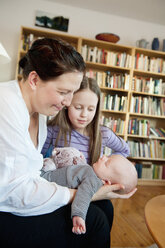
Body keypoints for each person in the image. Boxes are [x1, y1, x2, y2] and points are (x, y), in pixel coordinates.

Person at [0, 37, 136, 248]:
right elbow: (14, 192)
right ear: (34, 80)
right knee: (96, 221)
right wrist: (84, 195)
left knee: (105, 208)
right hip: (7, 207)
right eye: (63, 92)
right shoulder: (5, 108)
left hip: (25, 193)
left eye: (72, 93)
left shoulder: (40, 113)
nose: (68, 102)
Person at [41, 76, 131, 236]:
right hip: (64, 190)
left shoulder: (103, 134)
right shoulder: (54, 130)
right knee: (95, 219)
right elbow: (39, 157)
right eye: (78, 107)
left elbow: (125, 150)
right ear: (67, 104)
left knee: (107, 209)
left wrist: (108, 167)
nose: (84, 115)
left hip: (91, 188)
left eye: (91, 109)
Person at [41, 147, 138, 234]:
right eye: (108, 156)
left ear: (107, 182)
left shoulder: (93, 180)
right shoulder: (91, 172)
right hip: (47, 174)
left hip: (44, 180)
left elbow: (83, 196)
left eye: (107, 162)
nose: (103, 157)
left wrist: (79, 215)